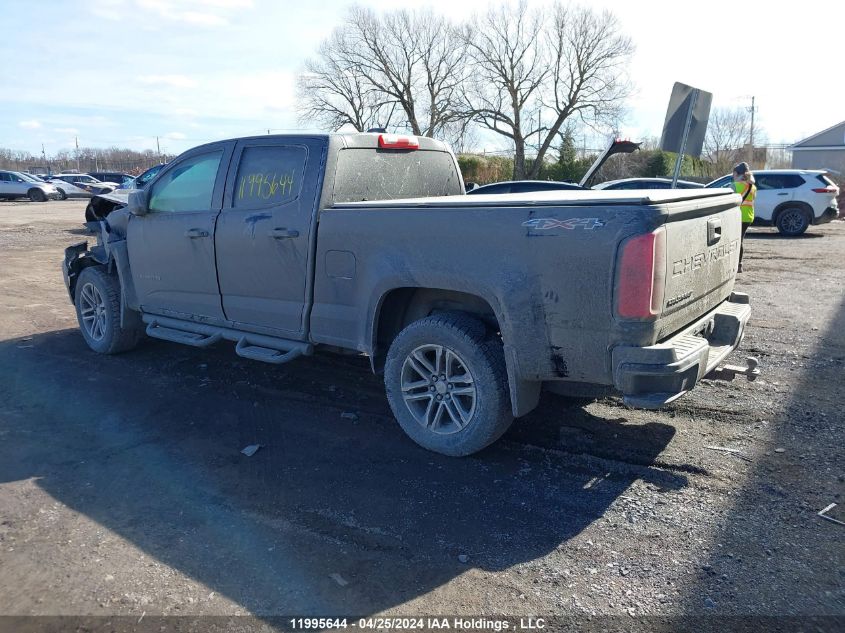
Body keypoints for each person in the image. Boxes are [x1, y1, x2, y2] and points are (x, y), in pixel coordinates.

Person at [732, 162, 756, 273]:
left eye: (734, 174)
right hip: (748, 217)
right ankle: (739, 264)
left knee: (737, 241)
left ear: (737, 174)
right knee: (740, 240)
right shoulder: (752, 187)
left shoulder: (735, 186)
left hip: (738, 216)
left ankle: (737, 264)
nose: (733, 177)